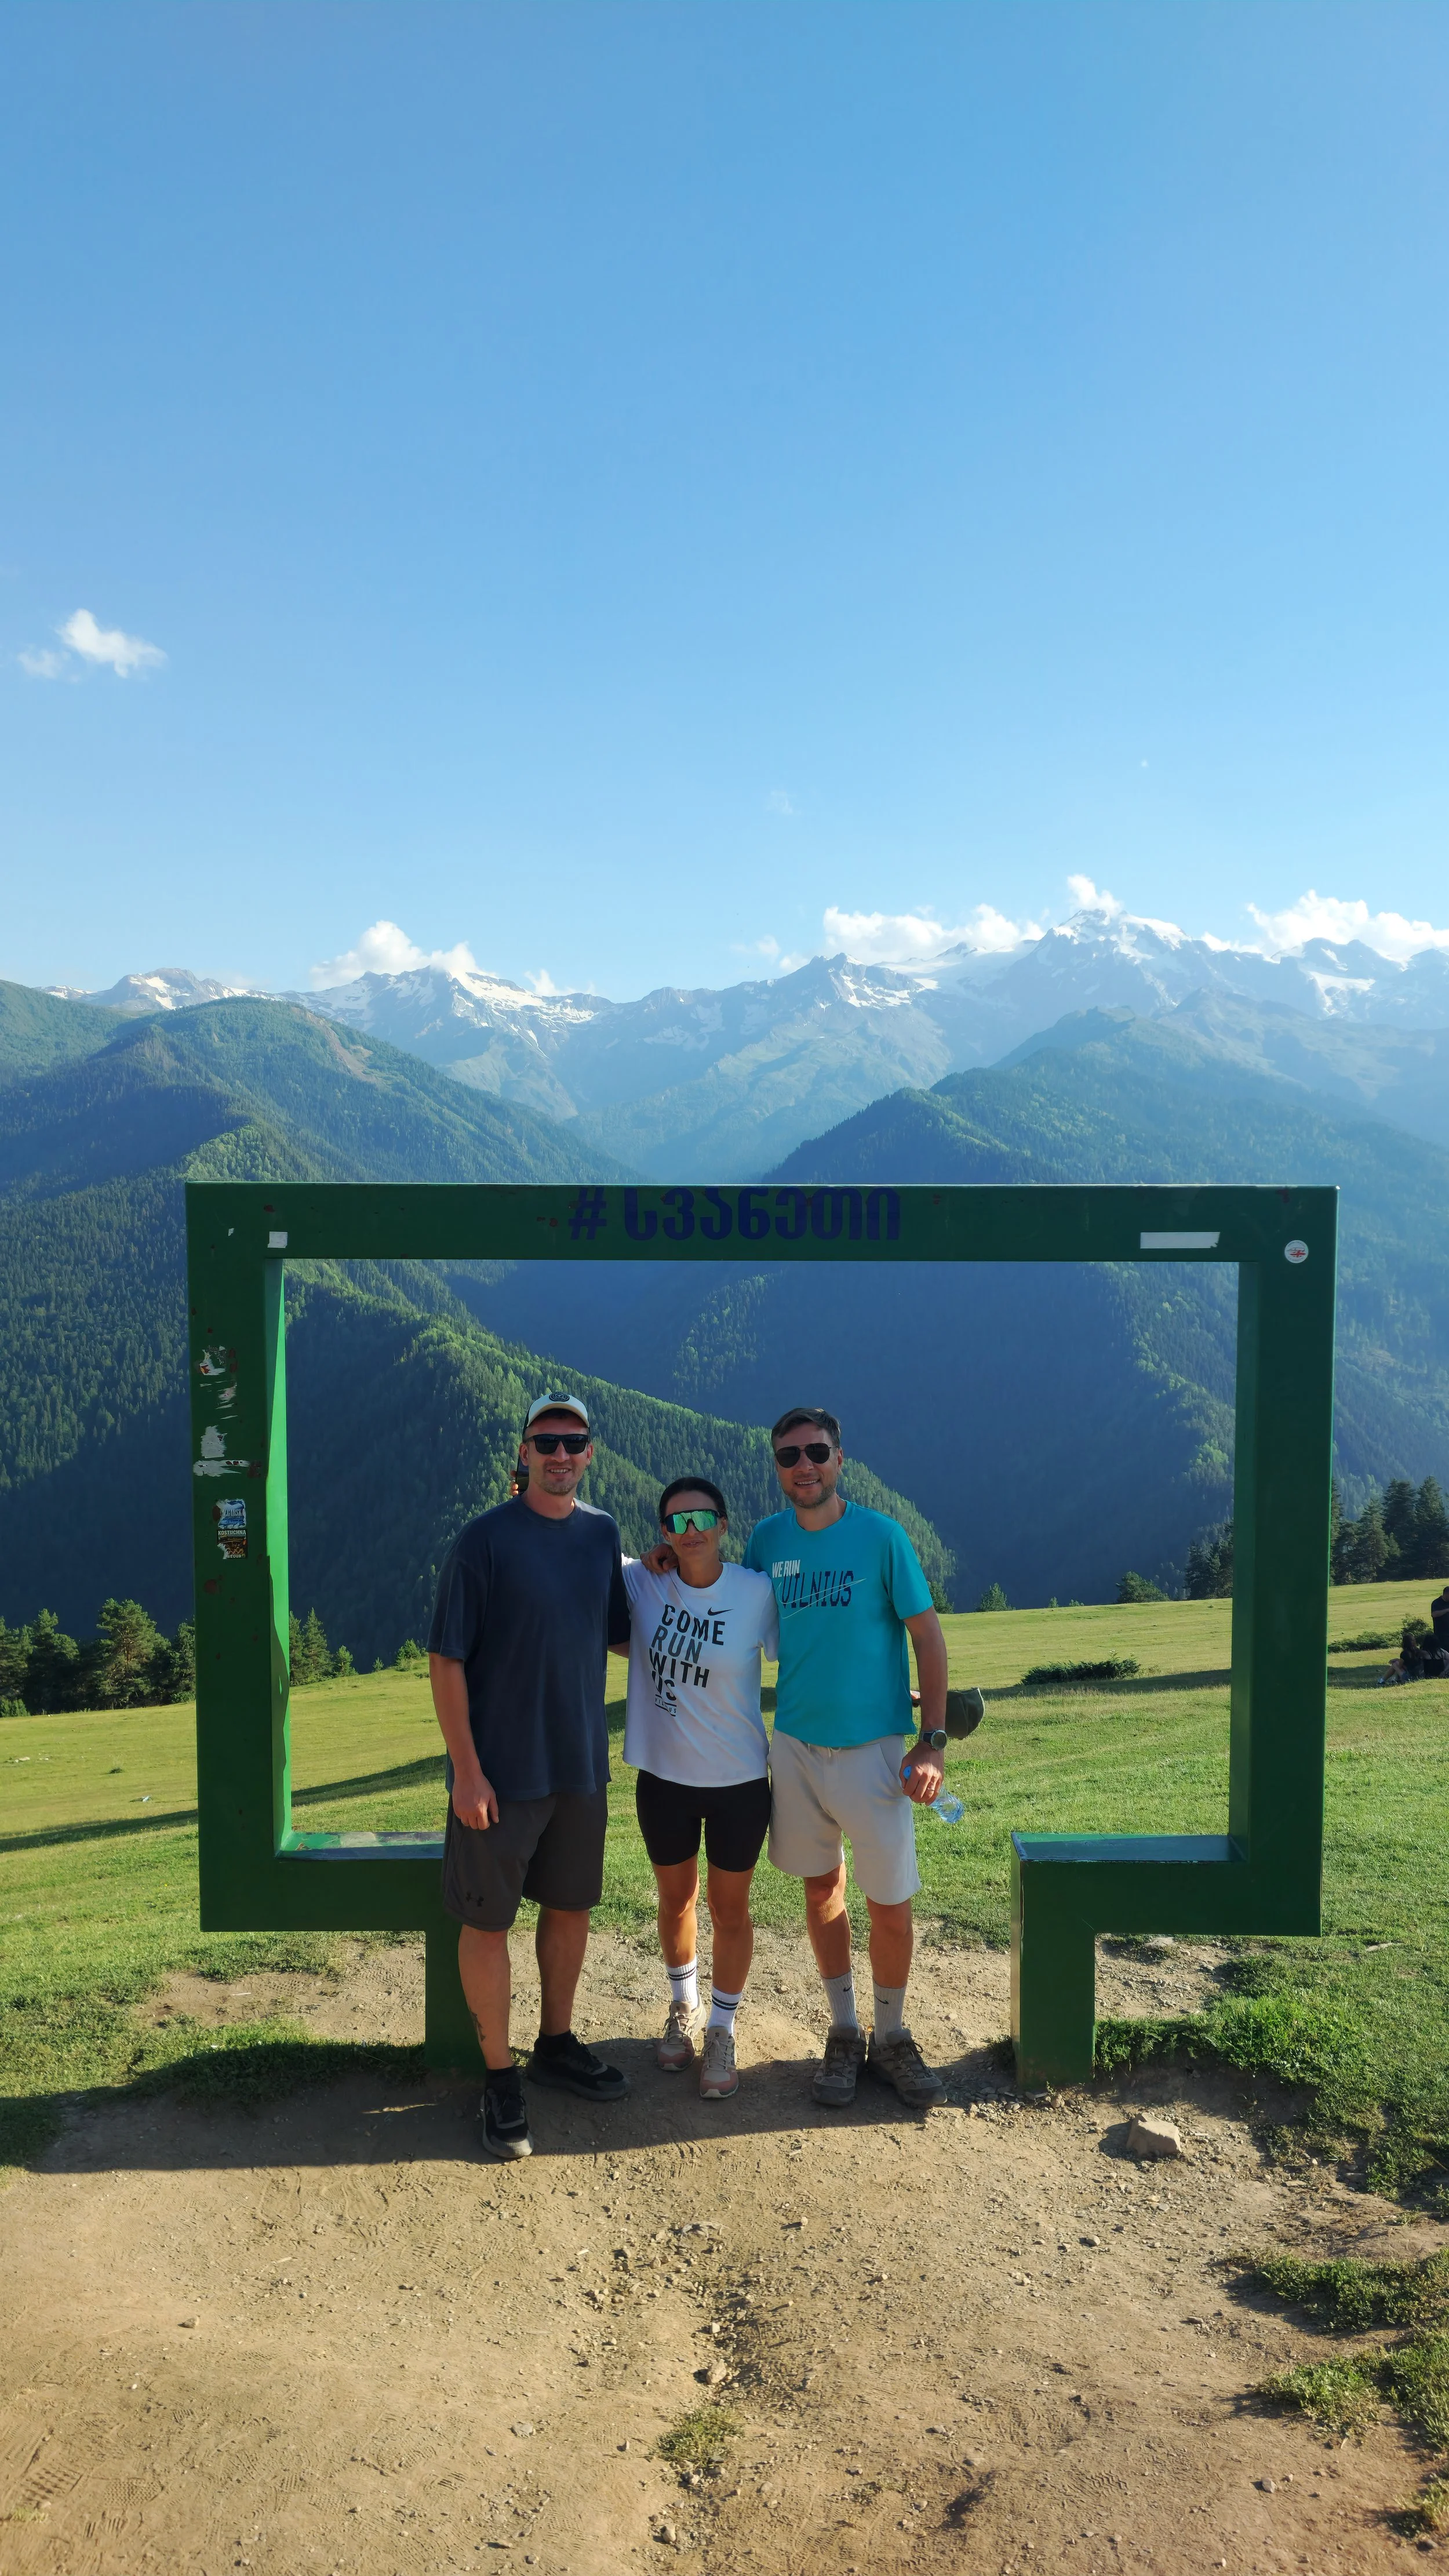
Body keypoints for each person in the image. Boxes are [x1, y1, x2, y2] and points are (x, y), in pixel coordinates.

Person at [428, 1393, 632, 2161]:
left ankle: (554, 2043)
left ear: (589, 1452)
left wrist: (684, 1576)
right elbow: (446, 1659)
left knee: (571, 1908)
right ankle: (498, 2075)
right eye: (546, 1441)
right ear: (524, 1450)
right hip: (501, 1776)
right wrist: (467, 1771)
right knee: (488, 1923)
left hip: (580, 1767)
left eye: (573, 1441)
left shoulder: (601, 1534)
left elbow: (618, 1633)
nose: (560, 1454)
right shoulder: (483, 1539)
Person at [745, 1405, 953, 2113]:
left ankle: (891, 2035)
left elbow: (926, 1636)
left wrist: (932, 1741)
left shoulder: (882, 1537)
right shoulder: (766, 1541)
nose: (803, 1466)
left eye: (816, 1452)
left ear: (840, 1459)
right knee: (819, 1891)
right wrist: (663, 1564)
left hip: (876, 1751)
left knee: (889, 1903)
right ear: (777, 1468)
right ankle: (844, 2030)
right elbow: (729, 1606)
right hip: (796, 1747)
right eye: (788, 1456)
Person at [614, 1477, 778, 2102]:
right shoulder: (642, 1582)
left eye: (701, 1518)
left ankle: (722, 2027)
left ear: (724, 1524)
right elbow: (576, 1537)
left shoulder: (755, 1592)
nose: (690, 1531)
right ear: (661, 1532)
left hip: (739, 1783)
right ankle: (684, 2006)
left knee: (730, 1910)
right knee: (675, 1900)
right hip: (664, 1780)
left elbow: (809, 1653)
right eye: (676, 1522)